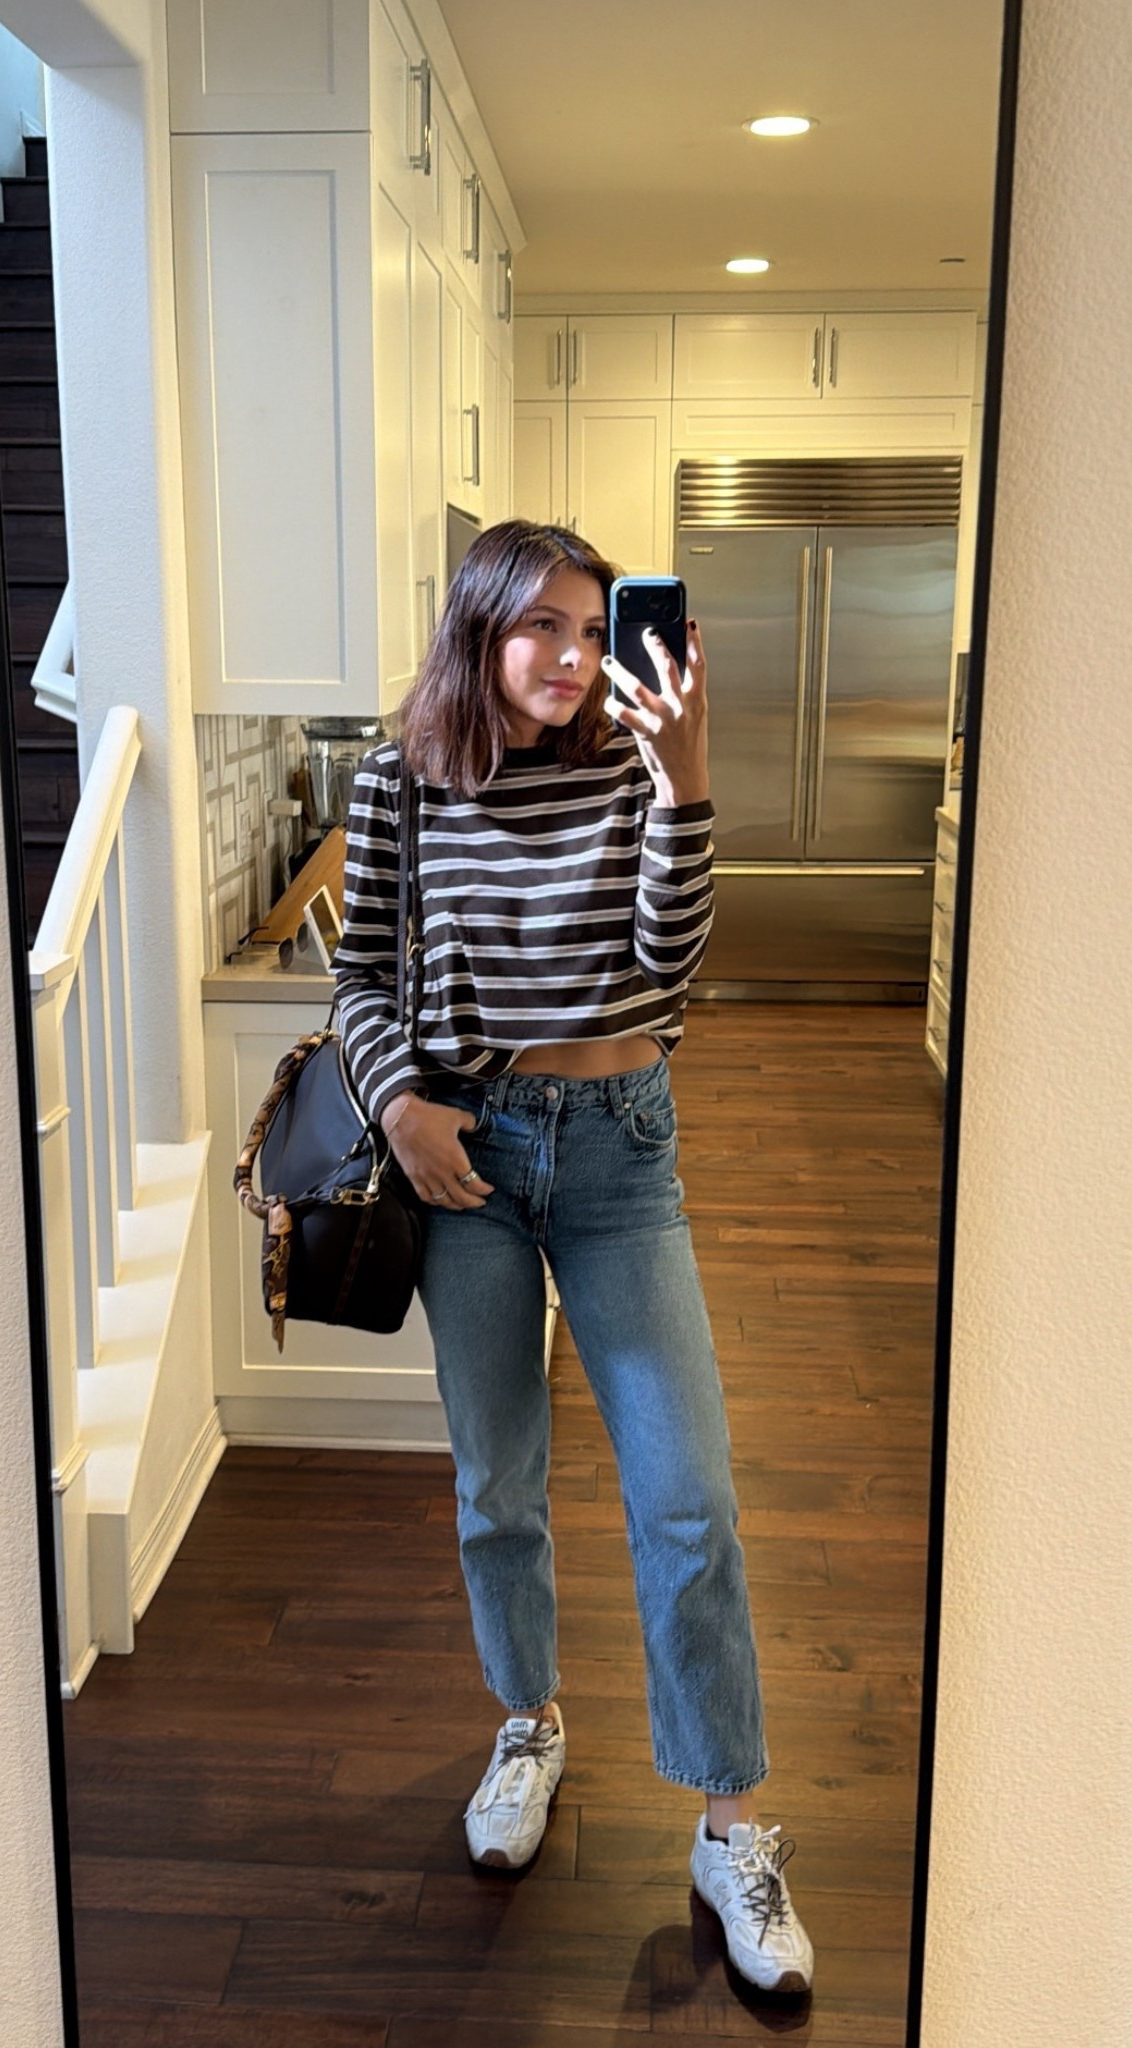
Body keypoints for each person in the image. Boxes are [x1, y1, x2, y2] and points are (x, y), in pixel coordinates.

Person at [333, 519, 814, 1996]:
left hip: (619, 1155)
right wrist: (398, 1104)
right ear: (480, 628)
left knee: (689, 1500)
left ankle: (730, 1826)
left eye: (597, 631)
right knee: (498, 1485)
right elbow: (358, 977)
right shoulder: (402, 777)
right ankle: (530, 1724)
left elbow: (670, 964)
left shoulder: (629, 767)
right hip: (465, 1158)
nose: (573, 655)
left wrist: (686, 781)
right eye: (541, 624)